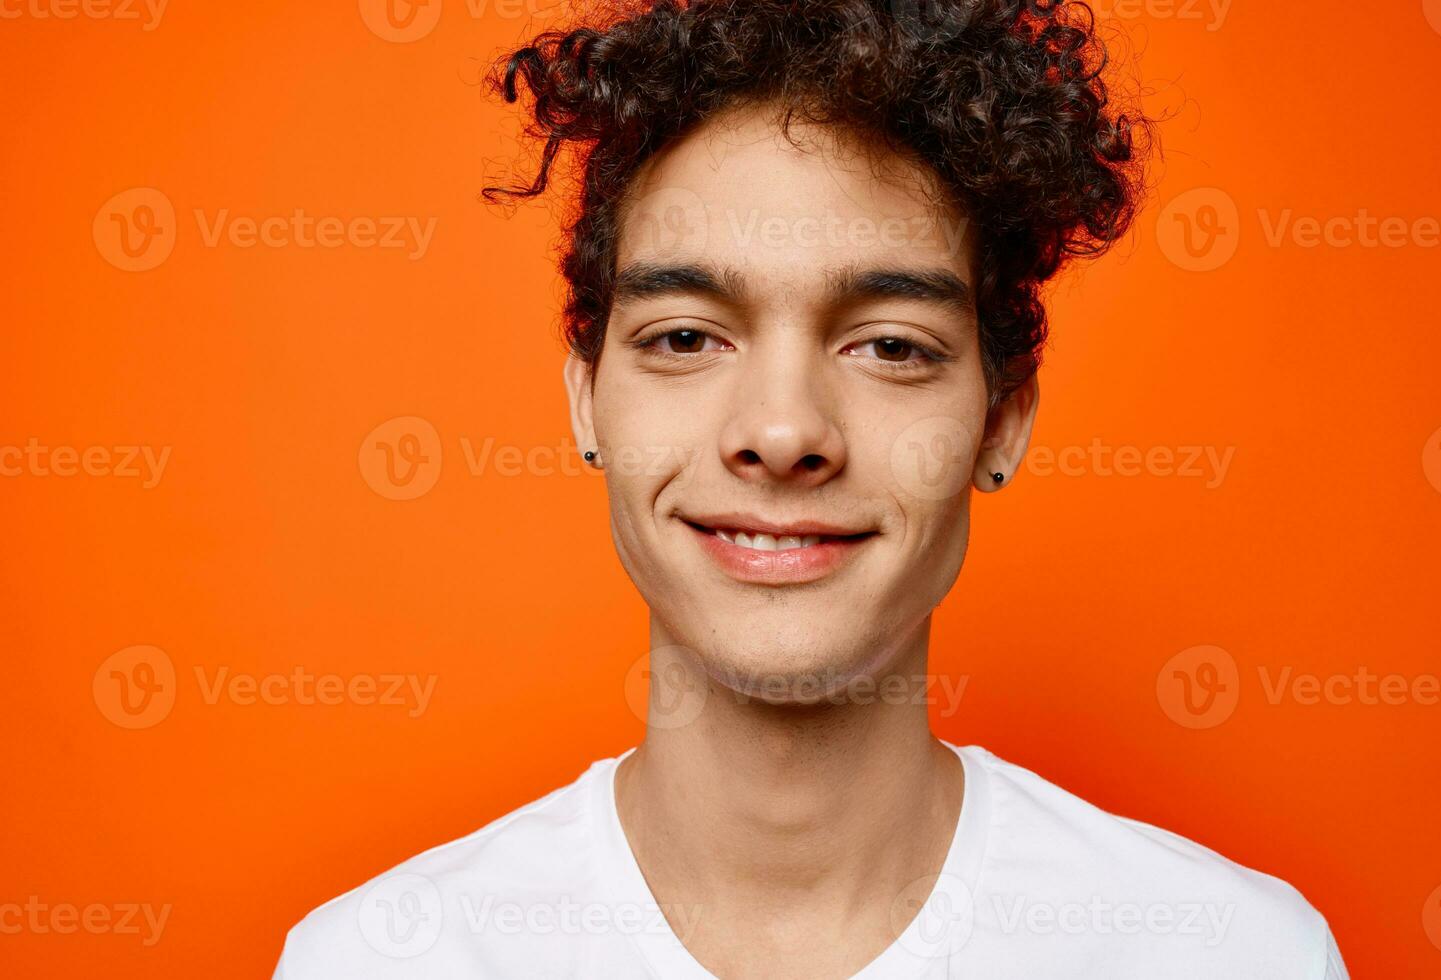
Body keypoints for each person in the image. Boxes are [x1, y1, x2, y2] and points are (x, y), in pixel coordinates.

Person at [272, 1, 1347, 976]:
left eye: (888, 345)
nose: (782, 432)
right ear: (588, 399)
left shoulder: (1235, 952)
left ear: (1002, 416)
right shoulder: (375, 959)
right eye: (686, 335)